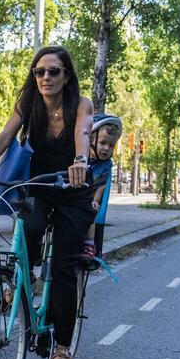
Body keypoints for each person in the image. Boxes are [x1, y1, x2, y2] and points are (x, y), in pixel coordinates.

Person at [0, 46, 95, 359]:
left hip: (72, 188)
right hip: (38, 184)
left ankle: (62, 344)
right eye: (40, 72)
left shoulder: (80, 105)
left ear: (67, 76)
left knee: (64, 265)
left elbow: (82, 134)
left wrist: (80, 162)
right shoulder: (28, 104)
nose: (46, 77)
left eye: (53, 71)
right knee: (30, 228)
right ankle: (26, 277)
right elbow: (6, 135)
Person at [81, 114, 123, 268]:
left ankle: (89, 245)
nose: (106, 148)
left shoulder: (106, 165)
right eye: (103, 143)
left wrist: (95, 201)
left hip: (88, 198)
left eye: (111, 145)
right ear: (91, 141)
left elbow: (101, 186)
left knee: (91, 210)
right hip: (73, 196)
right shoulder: (80, 158)